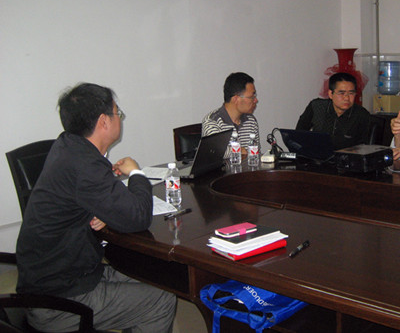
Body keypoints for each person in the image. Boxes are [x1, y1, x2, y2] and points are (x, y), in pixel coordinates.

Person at [16, 83, 177, 332]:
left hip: (66, 276)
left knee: (162, 283)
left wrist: (96, 209)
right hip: (57, 300)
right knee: (161, 300)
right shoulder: (84, 165)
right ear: (104, 121)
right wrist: (136, 173)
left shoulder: (68, 146)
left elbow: (79, 198)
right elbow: (138, 216)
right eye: (117, 113)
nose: (119, 118)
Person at [296, 72, 371, 150]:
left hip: (346, 156)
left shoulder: (362, 115)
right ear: (330, 94)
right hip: (317, 155)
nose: (347, 98)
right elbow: (298, 135)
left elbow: (363, 148)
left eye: (351, 93)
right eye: (341, 93)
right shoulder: (316, 107)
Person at [202, 72, 260, 156]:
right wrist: (239, 151)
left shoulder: (251, 120)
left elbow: (256, 153)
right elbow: (215, 152)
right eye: (251, 97)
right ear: (236, 99)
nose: (255, 100)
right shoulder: (212, 121)